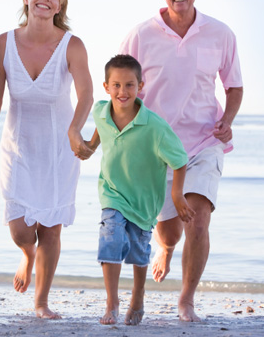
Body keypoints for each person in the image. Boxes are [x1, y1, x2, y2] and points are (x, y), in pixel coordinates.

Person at [120, 0, 244, 322]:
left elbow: (234, 86)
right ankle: (166, 249)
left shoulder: (220, 34)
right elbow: (121, 86)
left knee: (199, 220)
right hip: (156, 148)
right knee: (169, 231)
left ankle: (186, 299)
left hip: (204, 141)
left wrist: (228, 119)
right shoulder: (140, 35)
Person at [0, 0, 94, 319]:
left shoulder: (72, 45)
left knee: (50, 229)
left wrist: (75, 131)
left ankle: (41, 302)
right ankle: (26, 255)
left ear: (59, 4)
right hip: (17, 147)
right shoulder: (4, 43)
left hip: (58, 150)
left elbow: (87, 95)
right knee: (21, 229)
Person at [83, 55, 189, 326]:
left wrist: (176, 195)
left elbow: (179, 160)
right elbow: (100, 129)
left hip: (144, 202)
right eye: (116, 85)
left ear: (140, 86)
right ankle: (112, 302)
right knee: (110, 238)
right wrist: (90, 146)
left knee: (139, 253)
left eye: (129, 85)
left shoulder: (154, 127)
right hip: (112, 192)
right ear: (106, 87)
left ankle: (138, 296)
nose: (122, 92)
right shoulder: (100, 111)